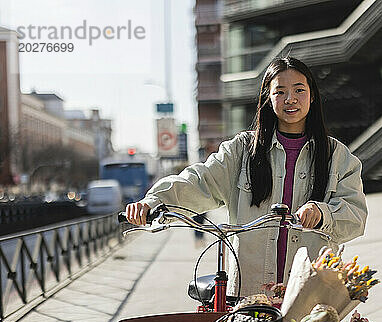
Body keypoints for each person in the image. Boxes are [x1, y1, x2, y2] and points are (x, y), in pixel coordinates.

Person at [126, 57, 367, 296]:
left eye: (299, 90)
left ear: (312, 96)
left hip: (310, 293)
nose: (290, 99)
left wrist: (323, 213)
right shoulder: (242, 150)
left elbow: (356, 217)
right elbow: (200, 181)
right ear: (268, 98)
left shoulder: (337, 156)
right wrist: (154, 202)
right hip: (249, 292)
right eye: (280, 91)